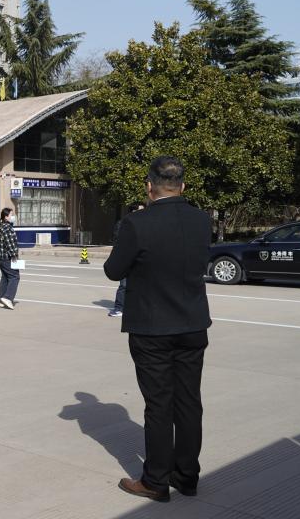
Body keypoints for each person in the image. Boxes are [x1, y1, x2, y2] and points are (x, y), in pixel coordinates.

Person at [105, 156, 211, 502]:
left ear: (149, 186)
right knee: (189, 402)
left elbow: (113, 270)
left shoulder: (137, 223)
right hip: (193, 323)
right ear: (183, 185)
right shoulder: (201, 220)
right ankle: (187, 476)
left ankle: (155, 480)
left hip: (152, 327)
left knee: (159, 405)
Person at [109, 202, 146, 317]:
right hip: (127, 257)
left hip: (142, 258)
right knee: (124, 285)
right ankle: (119, 308)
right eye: (139, 210)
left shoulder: (147, 223)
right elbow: (118, 241)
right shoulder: (123, 223)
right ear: (132, 211)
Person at [0, 207, 20, 310]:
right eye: (11, 215)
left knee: (5, 277)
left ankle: (2, 299)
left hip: (0, 257)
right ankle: (8, 298)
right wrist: (15, 255)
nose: (13, 216)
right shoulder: (8, 228)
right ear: (6, 217)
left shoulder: (1, 226)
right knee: (15, 276)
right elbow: (10, 244)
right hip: (7, 257)